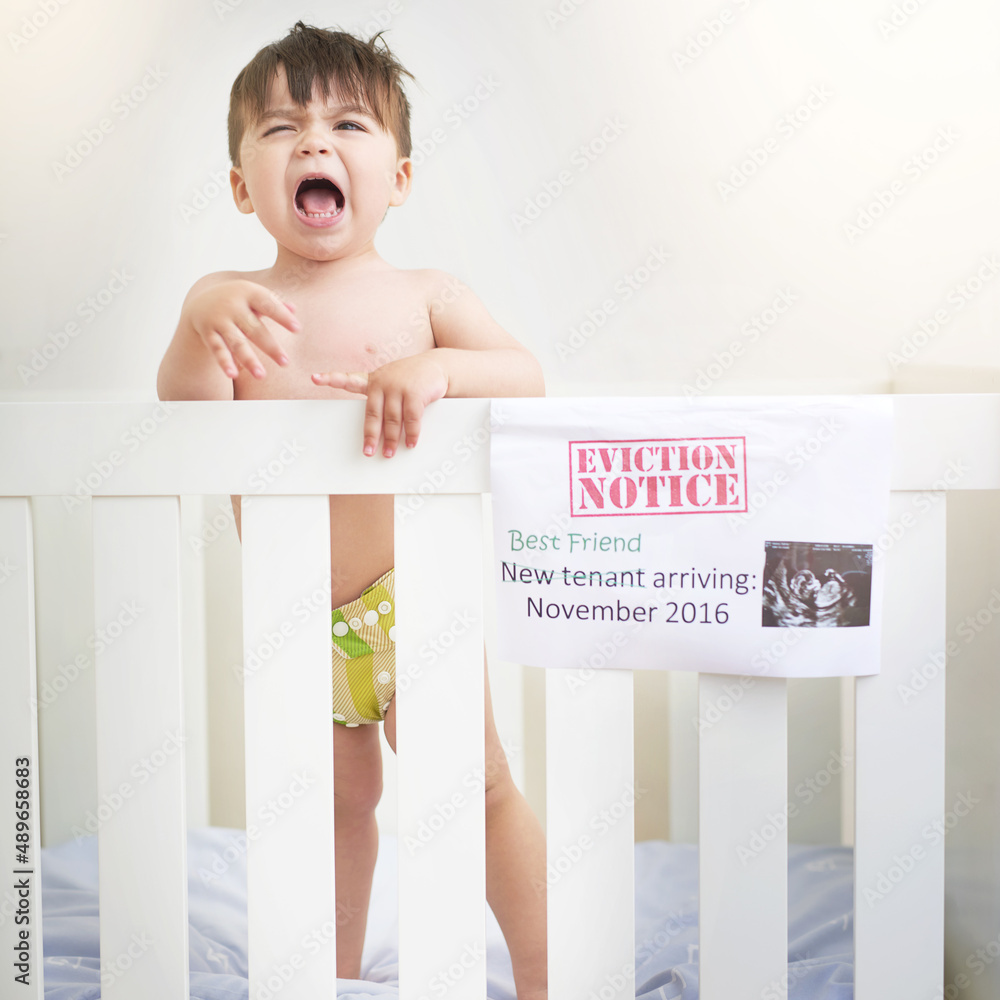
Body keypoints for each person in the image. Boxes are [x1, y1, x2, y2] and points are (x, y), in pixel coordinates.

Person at [156, 22, 547, 999]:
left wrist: (438, 369)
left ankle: (547, 977)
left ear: (400, 178)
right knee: (334, 803)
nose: (315, 143)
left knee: (480, 788)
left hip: (409, 603)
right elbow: (187, 418)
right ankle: (330, 974)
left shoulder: (424, 295)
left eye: (347, 124)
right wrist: (195, 312)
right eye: (282, 127)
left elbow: (528, 379)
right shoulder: (237, 309)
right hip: (295, 622)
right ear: (245, 188)